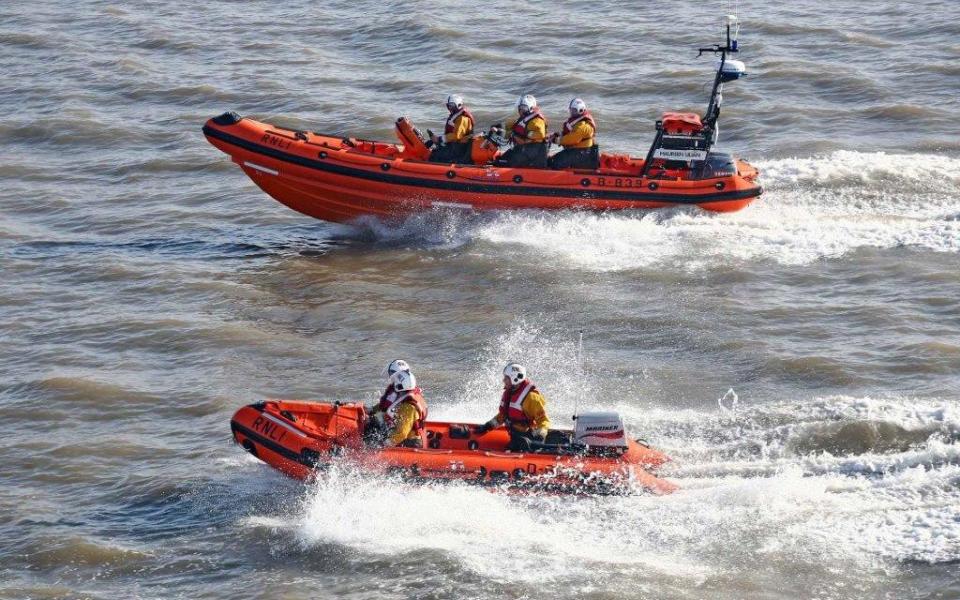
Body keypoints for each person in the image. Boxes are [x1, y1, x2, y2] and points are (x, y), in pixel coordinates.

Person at [476, 363, 551, 451]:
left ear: (515, 378)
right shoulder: (509, 393)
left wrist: (537, 438)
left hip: (528, 440)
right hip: (516, 437)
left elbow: (544, 421)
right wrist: (487, 426)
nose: (503, 380)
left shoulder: (531, 397)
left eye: (506, 378)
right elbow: (503, 416)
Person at [496, 95, 548, 168]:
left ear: (531, 108)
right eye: (520, 107)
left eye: (523, 107)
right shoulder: (524, 119)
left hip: (532, 152)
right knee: (500, 159)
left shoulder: (537, 121)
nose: (521, 110)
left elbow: (541, 134)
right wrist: (498, 128)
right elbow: (512, 127)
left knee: (503, 163)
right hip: (523, 149)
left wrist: (525, 134)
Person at [381, 370, 428, 448]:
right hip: (417, 436)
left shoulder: (407, 407)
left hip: (411, 442)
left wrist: (384, 444)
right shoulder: (416, 397)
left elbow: (402, 434)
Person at [548, 98, 599, 170]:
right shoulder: (578, 122)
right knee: (554, 160)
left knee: (554, 163)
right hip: (577, 151)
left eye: (574, 110)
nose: (572, 112)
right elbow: (570, 133)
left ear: (580, 110)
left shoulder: (583, 126)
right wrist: (558, 134)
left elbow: (572, 139)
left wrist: (556, 140)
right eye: (571, 110)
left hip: (582, 153)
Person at [429, 94, 474, 164]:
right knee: (436, 150)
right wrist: (439, 140)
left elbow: (456, 136)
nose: (450, 107)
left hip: (459, 149)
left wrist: (439, 139)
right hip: (454, 146)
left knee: (435, 156)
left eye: (452, 105)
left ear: (458, 105)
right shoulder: (457, 116)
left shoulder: (462, 119)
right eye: (449, 105)